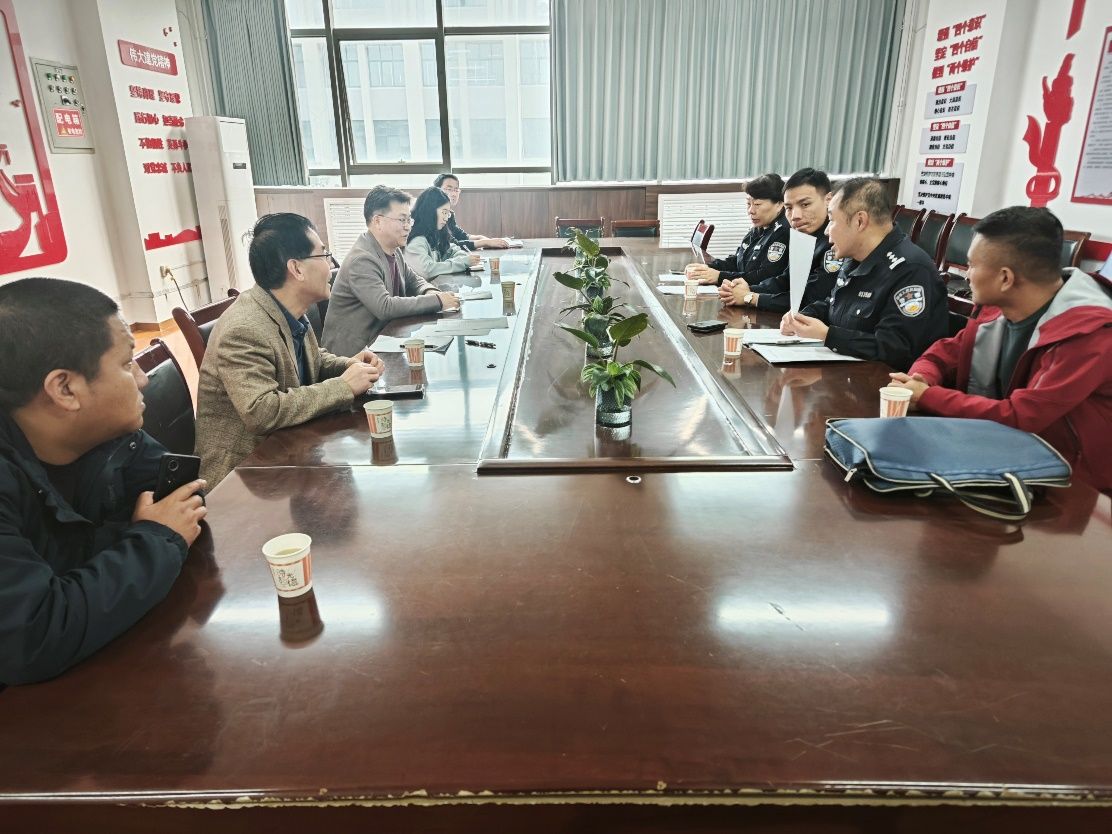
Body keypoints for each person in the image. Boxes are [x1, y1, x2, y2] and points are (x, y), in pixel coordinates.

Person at [0, 277, 206, 685]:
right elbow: (32, 636)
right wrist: (154, 537)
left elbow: (184, 506)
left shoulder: (111, 434)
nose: (143, 379)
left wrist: (149, 534)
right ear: (65, 388)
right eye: (127, 364)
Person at [890, 206, 1112, 492]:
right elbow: (943, 353)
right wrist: (922, 378)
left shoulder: (1090, 335)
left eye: (972, 265)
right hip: (998, 459)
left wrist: (928, 396)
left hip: (1068, 487)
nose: (966, 275)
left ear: (1005, 278)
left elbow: (1021, 416)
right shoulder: (999, 308)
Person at [195, 213, 385, 487]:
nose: (331, 264)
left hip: (287, 453)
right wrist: (343, 386)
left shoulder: (287, 309)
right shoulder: (244, 328)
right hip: (245, 478)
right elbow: (261, 411)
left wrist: (348, 366)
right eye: (324, 254)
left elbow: (313, 361)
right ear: (296, 269)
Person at [781, 177, 946, 371]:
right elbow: (835, 304)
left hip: (882, 382)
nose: (826, 231)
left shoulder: (911, 270)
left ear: (860, 221)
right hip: (846, 372)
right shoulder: (855, 257)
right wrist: (803, 316)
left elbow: (895, 349)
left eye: (832, 220)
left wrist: (828, 336)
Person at [323, 186, 458, 356]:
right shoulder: (362, 259)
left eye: (409, 220)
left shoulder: (393, 251)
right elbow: (385, 306)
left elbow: (414, 280)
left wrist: (430, 291)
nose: (408, 227)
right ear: (378, 221)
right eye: (402, 220)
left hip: (383, 341)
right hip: (352, 355)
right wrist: (438, 301)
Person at [719, 167, 844, 312]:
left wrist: (750, 297)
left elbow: (809, 300)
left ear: (828, 200)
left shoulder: (834, 242)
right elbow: (786, 281)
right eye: (789, 208)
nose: (795, 216)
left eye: (805, 205)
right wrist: (746, 290)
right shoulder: (803, 235)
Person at [685, 173, 790, 287]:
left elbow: (764, 277)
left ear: (779, 205)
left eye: (757, 204)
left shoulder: (783, 232)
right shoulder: (758, 227)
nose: (751, 211)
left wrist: (719, 276)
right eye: (748, 203)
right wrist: (708, 268)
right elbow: (737, 261)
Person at [405, 186, 481, 279]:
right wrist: (462, 262)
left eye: (447, 214)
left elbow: (453, 250)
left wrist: (461, 259)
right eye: (444, 212)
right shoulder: (417, 240)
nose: (446, 218)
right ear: (430, 211)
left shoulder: (435, 234)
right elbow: (427, 271)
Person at [434, 173, 510, 250]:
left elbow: (460, 235)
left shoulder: (449, 213)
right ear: (436, 191)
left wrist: (481, 238)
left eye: (456, 190)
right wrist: (485, 242)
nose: (454, 194)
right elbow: (451, 245)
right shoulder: (434, 214)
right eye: (449, 189)